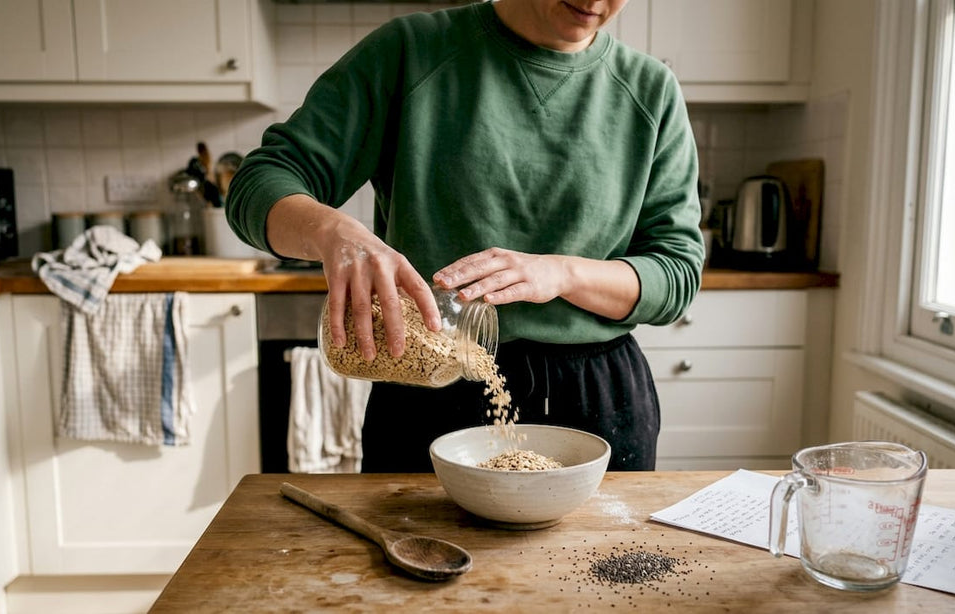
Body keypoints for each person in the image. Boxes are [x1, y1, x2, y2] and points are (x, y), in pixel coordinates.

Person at [226, 0, 704, 472]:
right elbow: (258, 183)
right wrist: (331, 230)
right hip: (431, 384)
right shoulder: (411, 52)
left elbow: (677, 273)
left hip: (596, 399)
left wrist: (560, 272)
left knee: (603, 554)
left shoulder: (650, 90)